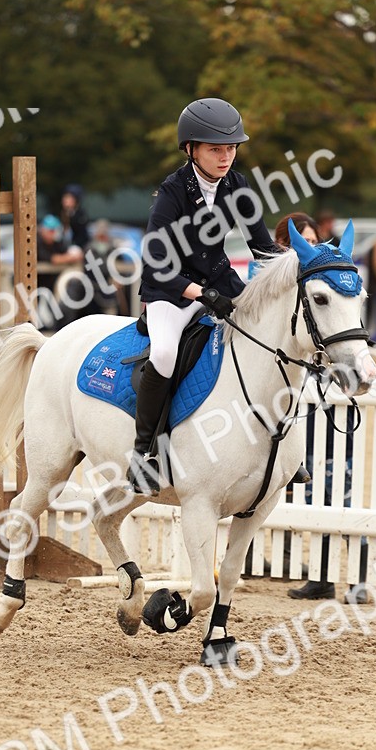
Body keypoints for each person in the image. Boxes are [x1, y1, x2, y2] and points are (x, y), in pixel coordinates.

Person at [128, 96, 283, 493]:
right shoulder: (172, 192)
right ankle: (144, 452)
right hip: (172, 289)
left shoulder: (238, 186)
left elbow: (262, 248)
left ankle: (278, 450)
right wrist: (198, 293)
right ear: (191, 149)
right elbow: (156, 261)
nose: (225, 156)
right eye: (216, 149)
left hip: (219, 281)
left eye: (231, 148)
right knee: (163, 353)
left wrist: (296, 265)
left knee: (270, 338)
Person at [272, 212, 368, 603]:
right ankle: (323, 576)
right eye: (300, 243)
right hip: (295, 404)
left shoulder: (324, 286)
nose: (311, 250)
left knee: (339, 487)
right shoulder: (279, 290)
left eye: (314, 240)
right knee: (313, 496)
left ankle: (359, 576)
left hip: (326, 402)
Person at [36, 214, 85, 329]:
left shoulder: (57, 242)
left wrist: (72, 256)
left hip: (50, 281)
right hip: (34, 282)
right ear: (44, 230)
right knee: (32, 307)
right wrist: (70, 257)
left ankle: (54, 328)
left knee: (55, 309)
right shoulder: (36, 241)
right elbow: (53, 259)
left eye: (54, 231)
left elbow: (66, 253)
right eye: (51, 231)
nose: (53, 234)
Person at [58, 183, 90, 250]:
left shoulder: (80, 215)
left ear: (76, 200)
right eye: (64, 197)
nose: (64, 200)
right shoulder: (62, 213)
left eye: (68, 197)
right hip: (65, 247)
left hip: (80, 247)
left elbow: (82, 237)